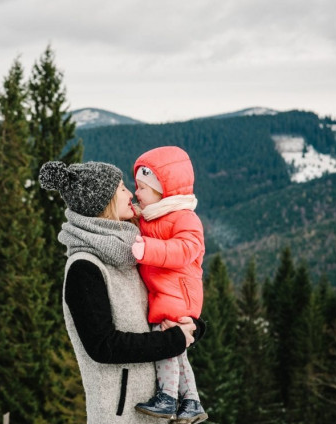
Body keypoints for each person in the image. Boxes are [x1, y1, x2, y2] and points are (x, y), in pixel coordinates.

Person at [38, 160, 204, 424]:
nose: (132, 194)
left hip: (156, 414)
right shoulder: (84, 267)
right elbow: (103, 346)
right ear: (103, 201)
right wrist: (174, 339)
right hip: (119, 415)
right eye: (122, 188)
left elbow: (161, 305)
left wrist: (191, 326)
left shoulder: (131, 254)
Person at [129, 146, 208, 424]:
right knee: (179, 350)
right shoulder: (155, 216)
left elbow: (186, 250)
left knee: (166, 342)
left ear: (164, 190)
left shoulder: (185, 218)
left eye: (142, 188)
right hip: (169, 292)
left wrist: (147, 249)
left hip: (179, 295)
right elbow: (144, 222)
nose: (136, 192)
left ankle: (167, 397)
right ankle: (192, 402)